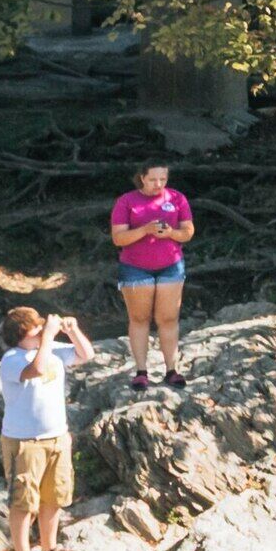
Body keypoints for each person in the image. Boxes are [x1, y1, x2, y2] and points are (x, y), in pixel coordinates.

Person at [0, 304, 92, 551]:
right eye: (36, 328)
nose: (42, 330)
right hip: (24, 442)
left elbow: (86, 354)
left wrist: (73, 331)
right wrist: (48, 337)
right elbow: (36, 370)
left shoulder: (51, 350)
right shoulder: (12, 358)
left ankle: (49, 548)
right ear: (22, 333)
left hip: (56, 437)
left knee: (54, 495)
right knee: (23, 500)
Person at [109, 162, 195, 390]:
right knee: (139, 319)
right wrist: (145, 230)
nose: (159, 185)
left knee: (168, 319)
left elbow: (187, 232)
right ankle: (141, 371)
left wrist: (171, 233)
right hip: (135, 267)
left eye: (163, 179)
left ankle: (172, 369)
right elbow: (119, 239)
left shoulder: (177, 199)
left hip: (171, 265)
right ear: (142, 178)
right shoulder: (126, 201)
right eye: (153, 179)